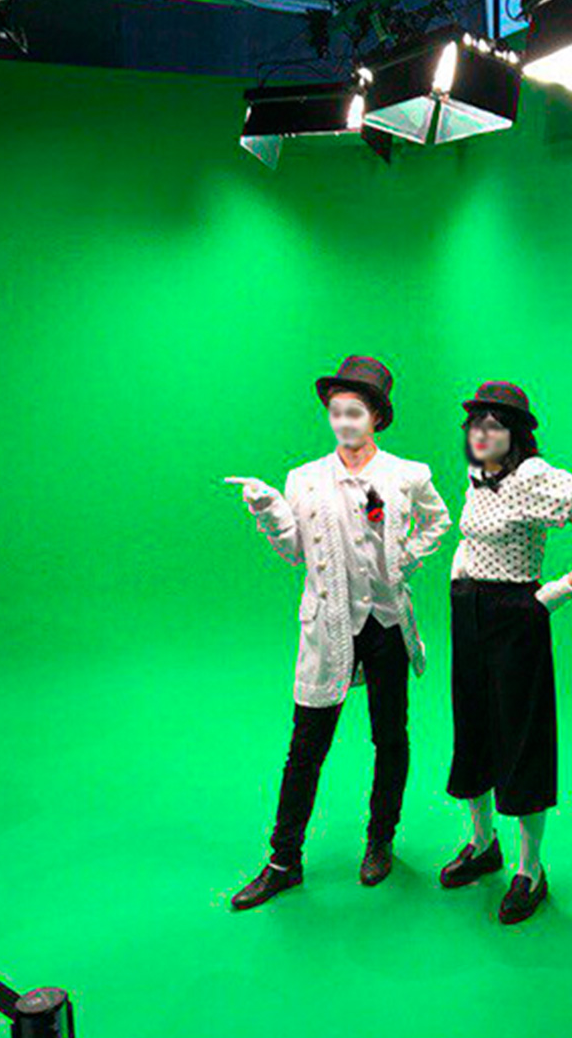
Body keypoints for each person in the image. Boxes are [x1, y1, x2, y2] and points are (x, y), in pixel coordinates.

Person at [224, 356, 451, 910]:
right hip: (329, 624)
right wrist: (269, 510)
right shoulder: (304, 479)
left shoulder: (407, 474)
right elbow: (294, 551)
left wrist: (406, 559)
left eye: (355, 412)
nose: (344, 422)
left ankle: (380, 840)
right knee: (306, 745)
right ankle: (283, 860)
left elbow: (439, 520)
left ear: (376, 418)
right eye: (336, 412)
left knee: (390, 736)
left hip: (386, 622)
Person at [440, 381, 572, 924]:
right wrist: (460, 571)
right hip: (468, 610)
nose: (480, 433)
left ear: (514, 433)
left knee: (521, 735)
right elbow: (473, 534)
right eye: (474, 424)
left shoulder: (534, 478)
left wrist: (563, 588)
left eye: (493, 425)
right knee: (472, 726)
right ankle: (482, 844)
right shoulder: (479, 474)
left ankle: (530, 869)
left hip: (515, 615)